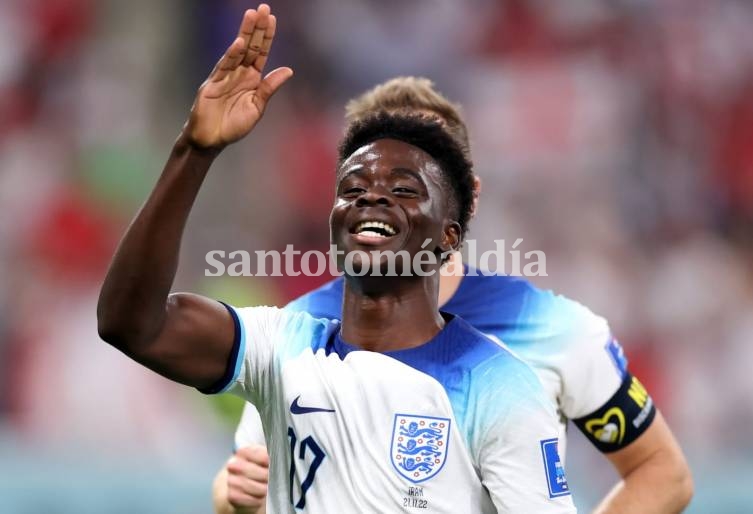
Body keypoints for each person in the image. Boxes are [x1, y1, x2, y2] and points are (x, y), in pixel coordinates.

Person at [97, 5, 576, 513]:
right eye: (354, 187)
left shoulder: (500, 386)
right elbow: (131, 325)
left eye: (403, 188)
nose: (372, 197)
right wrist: (194, 151)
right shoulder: (280, 348)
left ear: (448, 236)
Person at [213, 77, 694, 514]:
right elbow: (246, 481)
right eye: (368, 175)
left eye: (413, 178)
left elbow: (661, 472)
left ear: (468, 196)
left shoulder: (554, 328)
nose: (384, 193)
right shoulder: (299, 330)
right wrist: (233, 495)